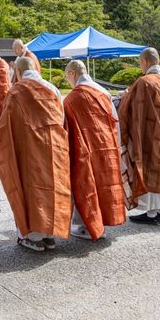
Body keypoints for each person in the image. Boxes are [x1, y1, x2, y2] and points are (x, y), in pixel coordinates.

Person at [0, 57, 72, 251]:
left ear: (17, 72)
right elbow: (61, 116)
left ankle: (33, 237)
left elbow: (7, 122)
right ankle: (50, 235)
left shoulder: (17, 91)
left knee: (31, 188)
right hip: (54, 146)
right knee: (52, 186)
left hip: (29, 148)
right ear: (34, 68)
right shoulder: (52, 88)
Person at [63, 60, 126, 240]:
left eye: (67, 75)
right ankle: (104, 221)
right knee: (105, 185)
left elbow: (66, 128)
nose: (68, 80)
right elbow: (116, 121)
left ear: (72, 74)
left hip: (85, 148)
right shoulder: (103, 92)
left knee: (86, 185)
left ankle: (86, 226)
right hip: (106, 146)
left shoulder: (71, 99)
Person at [117, 47, 160, 225]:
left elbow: (129, 107)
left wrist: (125, 97)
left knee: (149, 168)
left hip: (147, 132)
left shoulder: (144, 82)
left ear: (144, 62)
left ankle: (151, 213)